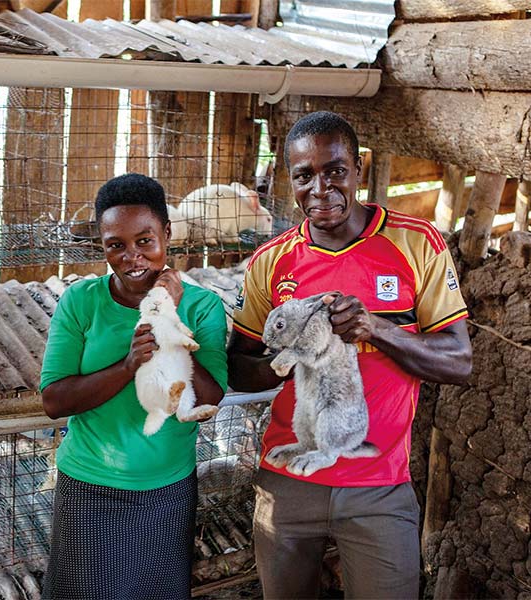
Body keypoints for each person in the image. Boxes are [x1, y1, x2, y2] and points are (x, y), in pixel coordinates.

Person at [227, 111, 472, 599]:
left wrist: (376, 329)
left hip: (380, 483)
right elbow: (238, 367)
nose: (320, 188)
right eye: (304, 175)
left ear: (357, 167)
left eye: (335, 170)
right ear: (290, 180)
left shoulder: (415, 243)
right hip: (289, 480)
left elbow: (459, 363)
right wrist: (291, 356)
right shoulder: (270, 262)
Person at [40, 173, 228, 600]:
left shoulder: (202, 307)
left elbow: (213, 396)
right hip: (90, 486)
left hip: (168, 487)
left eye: (145, 241)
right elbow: (54, 400)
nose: (132, 257)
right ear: (102, 246)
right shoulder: (82, 301)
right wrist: (127, 365)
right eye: (116, 245)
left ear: (166, 234)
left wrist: (168, 322)